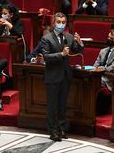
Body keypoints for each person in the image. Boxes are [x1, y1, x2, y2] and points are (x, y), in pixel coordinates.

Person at [40, 12, 84, 141]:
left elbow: (76, 51)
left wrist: (79, 43)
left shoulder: (69, 37)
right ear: (54, 24)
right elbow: (46, 57)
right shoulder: (46, 38)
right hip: (52, 76)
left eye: (63, 22)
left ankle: (62, 129)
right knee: (52, 105)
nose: (61, 25)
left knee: (62, 105)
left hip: (65, 76)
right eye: (58, 22)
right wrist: (61, 54)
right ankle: (53, 131)